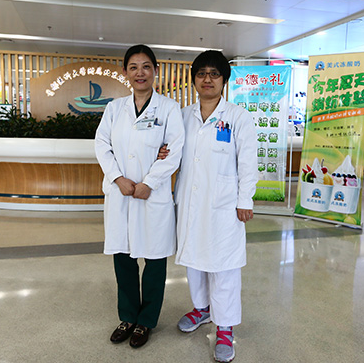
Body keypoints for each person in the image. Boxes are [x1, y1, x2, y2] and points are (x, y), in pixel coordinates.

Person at [160, 50, 257, 362]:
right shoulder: (183, 116)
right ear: (193, 80)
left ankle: (225, 326)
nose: (207, 79)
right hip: (190, 201)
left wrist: (245, 200)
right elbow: (171, 150)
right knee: (194, 260)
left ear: (224, 80)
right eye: (201, 73)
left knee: (224, 264)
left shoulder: (238, 117)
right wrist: (162, 153)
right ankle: (202, 309)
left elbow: (248, 163)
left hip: (224, 204)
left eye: (214, 73)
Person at [94, 44, 184, 348]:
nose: (140, 73)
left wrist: (150, 182)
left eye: (146, 66)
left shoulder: (169, 109)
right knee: (123, 258)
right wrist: (117, 178)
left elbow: (174, 151)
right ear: (125, 72)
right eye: (133, 67)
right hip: (121, 193)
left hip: (152, 196)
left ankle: (146, 321)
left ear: (155, 71)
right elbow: (102, 145)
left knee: (155, 259)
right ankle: (128, 316)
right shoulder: (114, 108)